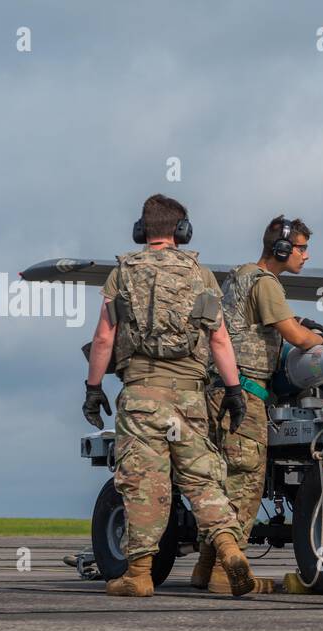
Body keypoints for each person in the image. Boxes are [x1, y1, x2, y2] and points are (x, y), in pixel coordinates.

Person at [82, 193, 257, 597]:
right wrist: (233, 390)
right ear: (182, 231)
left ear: (142, 231)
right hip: (189, 400)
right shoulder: (201, 275)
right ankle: (229, 549)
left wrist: (93, 389)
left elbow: (104, 337)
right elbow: (219, 340)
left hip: (142, 397)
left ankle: (139, 575)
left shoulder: (122, 275)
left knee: (145, 483)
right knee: (203, 480)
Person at [190, 215, 323, 593]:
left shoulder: (238, 277)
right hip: (246, 393)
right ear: (281, 249)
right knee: (244, 482)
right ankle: (225, 574)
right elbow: (295, 337)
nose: (306, 255)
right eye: (301, 248)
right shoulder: (266, 284)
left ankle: (205, 567)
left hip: (219, 390)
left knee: (221, 481)